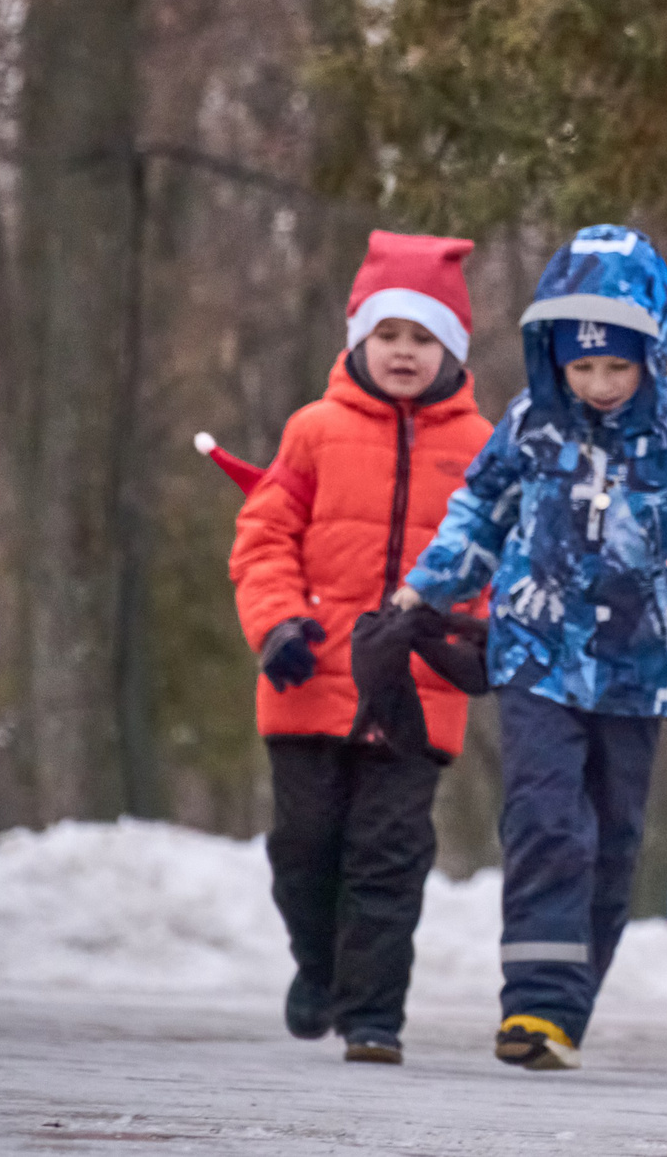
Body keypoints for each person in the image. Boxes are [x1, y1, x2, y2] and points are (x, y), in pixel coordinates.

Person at [398, 225, 667, 1073]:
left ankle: (570, 1003)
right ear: (554, 356)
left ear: (651, 350)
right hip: (536, 647)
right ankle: (534, 1006)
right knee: (543, 819)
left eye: (618, 366)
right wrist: (426, 585)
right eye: (583, 367)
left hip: (640, 669)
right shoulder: (533, 422)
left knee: (609, 836)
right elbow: (479, 508)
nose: (600, 384)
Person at [230, 230, 493, 1066]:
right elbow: (262, 535)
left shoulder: (482, 447)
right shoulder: (312, 429)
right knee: (304, 846)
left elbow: (495, 557)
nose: (404, 353)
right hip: (308, 680)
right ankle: (318, 966)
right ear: (359, 340)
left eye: (423, 338)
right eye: (389, 335)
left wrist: (471, 634)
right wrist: (275, 624)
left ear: (451, 347)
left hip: (415, 691)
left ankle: (375, 1012)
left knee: (390, 854)